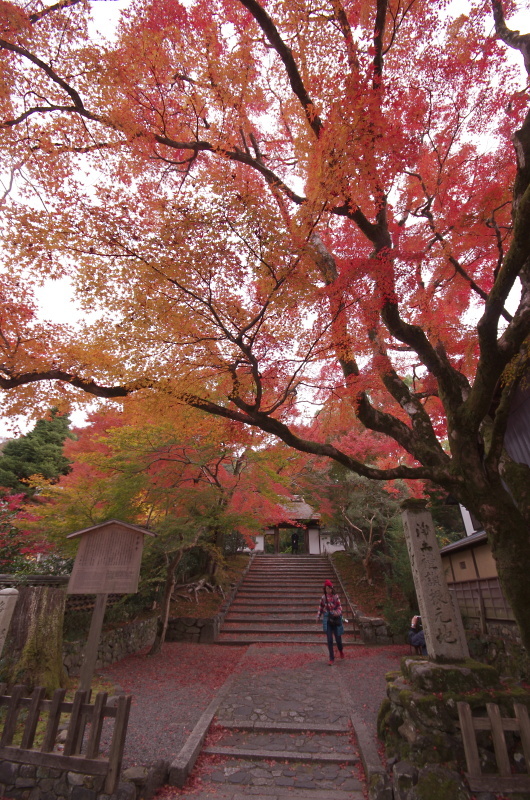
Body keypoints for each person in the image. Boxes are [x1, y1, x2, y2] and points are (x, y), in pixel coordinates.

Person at [316, 579, 345, 665]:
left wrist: (336, 613)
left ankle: (340, 650)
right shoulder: (323, 597)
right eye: (326, 589)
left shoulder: (336, 597)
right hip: (328, 619)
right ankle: (331, 658)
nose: (328, 590)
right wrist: (318, 615)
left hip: (335, 619)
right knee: (329, 639)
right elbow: (321, 607)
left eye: (329, 588)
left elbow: (340, 607)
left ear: (332, 588)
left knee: (338, 638)